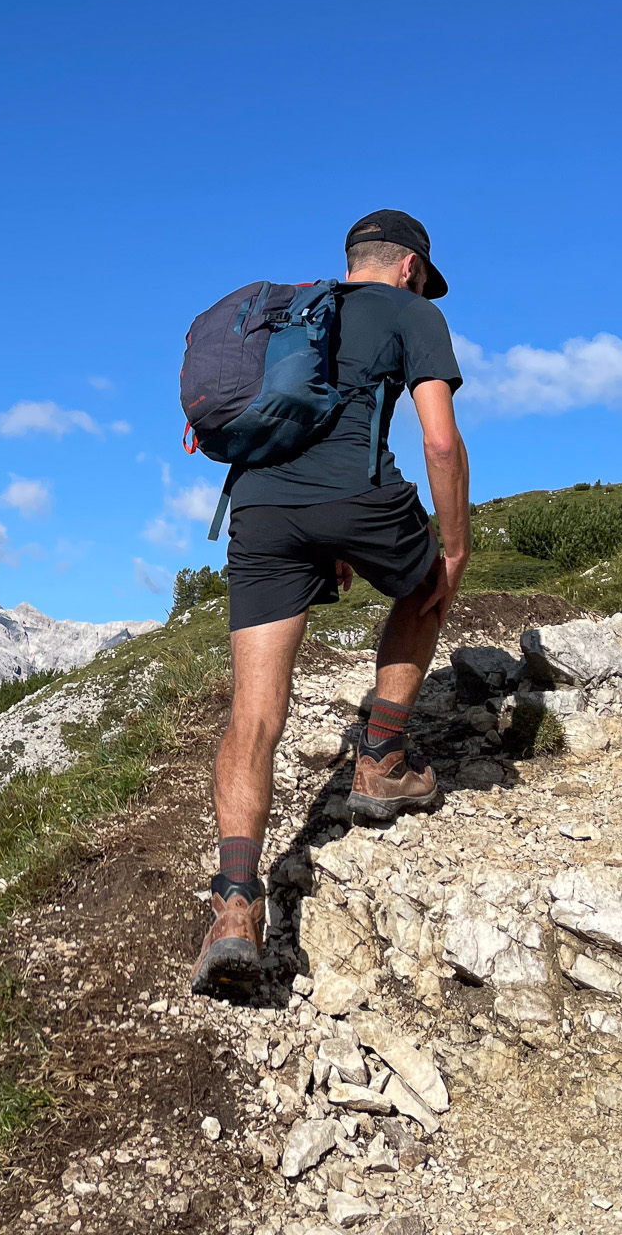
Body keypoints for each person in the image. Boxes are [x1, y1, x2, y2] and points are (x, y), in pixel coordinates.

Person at [190, 209, 471, 999]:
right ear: (410, 267)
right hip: (360, 498)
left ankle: (237, 906)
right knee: (426, 587)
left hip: (259, 510)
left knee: (255, 713)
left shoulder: (296, 313)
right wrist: (453, 549)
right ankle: (380, 759)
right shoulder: (415, 313)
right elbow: (440, 442)